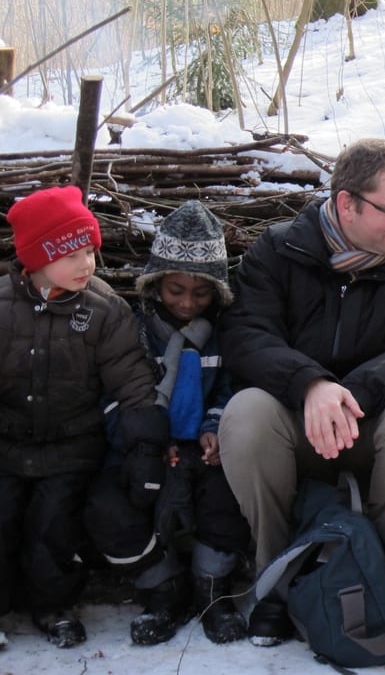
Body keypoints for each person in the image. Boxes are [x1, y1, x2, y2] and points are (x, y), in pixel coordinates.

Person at [217, 138, 385, 646]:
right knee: (245, 414)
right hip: (294, 423)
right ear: (347, 203)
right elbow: (246, 334)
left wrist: (351, 392)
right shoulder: (279, 249)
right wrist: (310, 383)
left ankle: (382, 579)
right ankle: (276, 580)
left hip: (373, 424)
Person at [0, 186, 168, 648]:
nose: (86, 264)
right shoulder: (3, 308)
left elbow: (132, 381)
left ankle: (52, 606)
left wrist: (146, 445)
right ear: (36, 258)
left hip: (72, 447)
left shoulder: (102, 309)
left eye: (89, 250)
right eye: (70, 254)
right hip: (7, 446)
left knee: (53, 527)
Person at [130, 200, 251, 644]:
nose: (186, 303)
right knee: (126, 501)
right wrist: (151, 440)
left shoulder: (225, 332)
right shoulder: (137, 331)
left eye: (200, 293)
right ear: (156, 284)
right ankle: (163, 591)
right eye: (175, 290)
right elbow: (126, 390)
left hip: (204, 444)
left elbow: (232, 385)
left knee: (224, 496)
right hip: (149, 442)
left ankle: (212, 588)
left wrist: (214, 428)